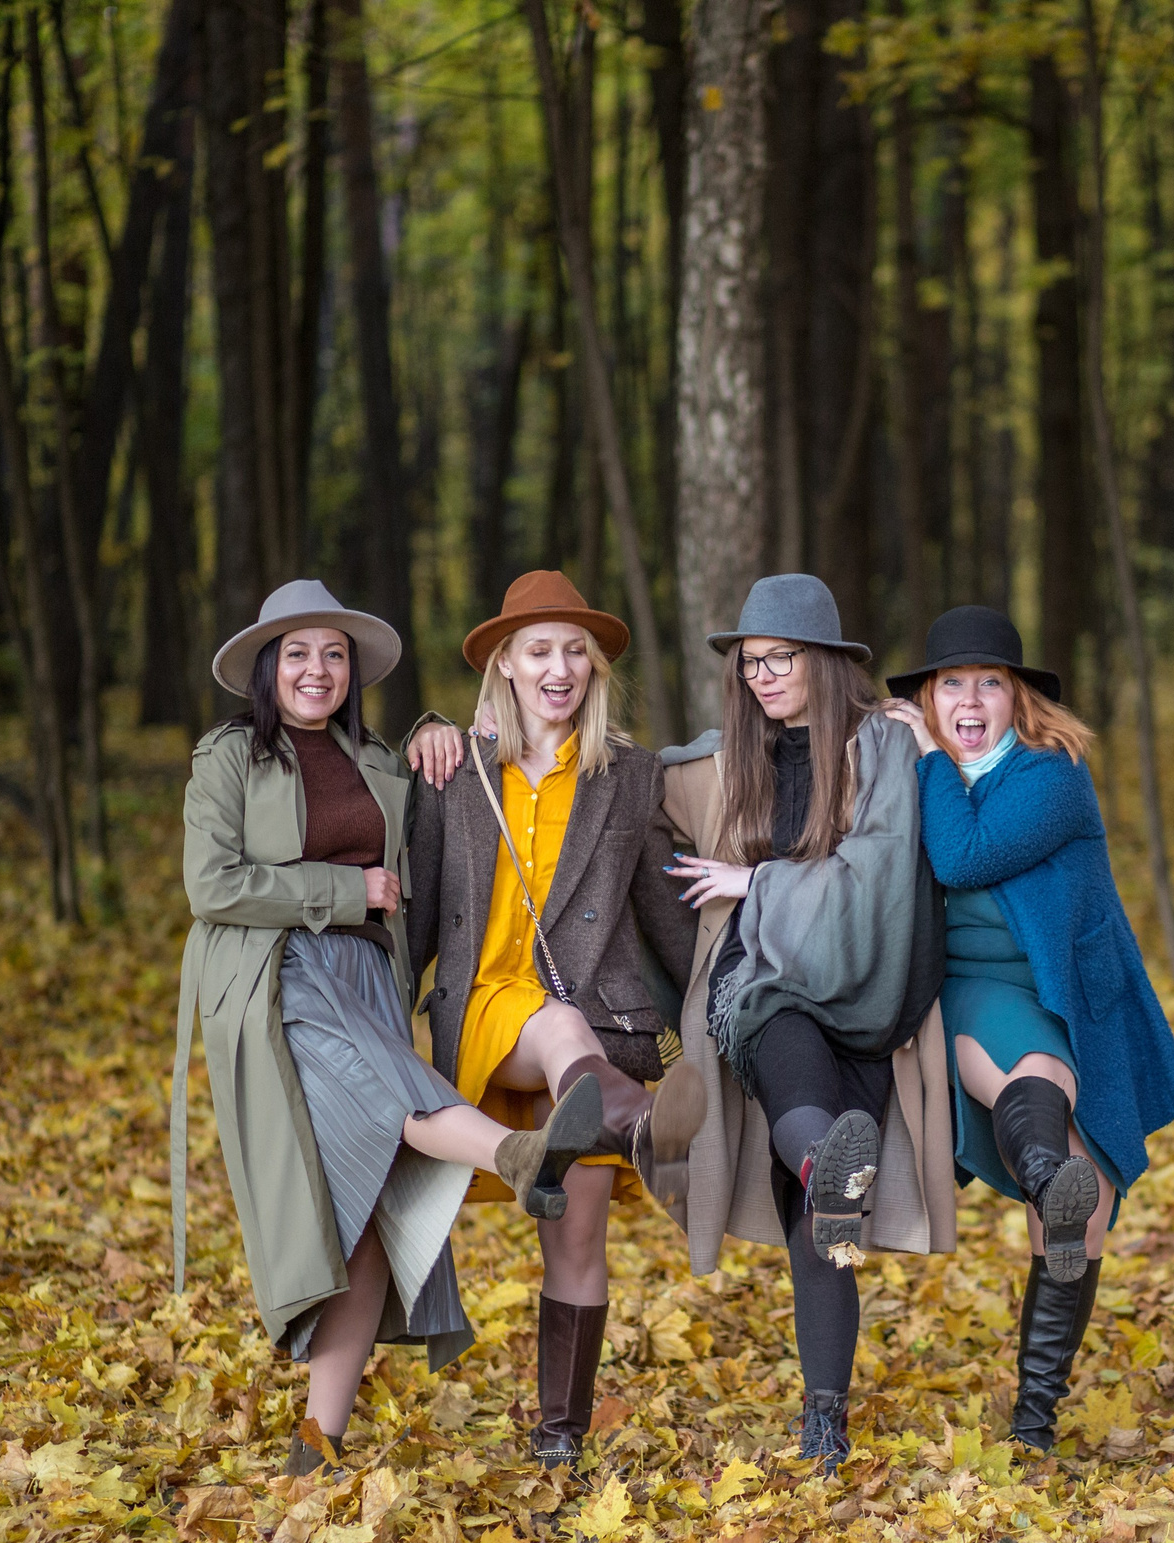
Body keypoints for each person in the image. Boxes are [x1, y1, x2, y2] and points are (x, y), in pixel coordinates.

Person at [168, 580, 606, 1481]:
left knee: (367, 1209)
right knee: (385, 1094)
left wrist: (437, 728)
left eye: (333, 654)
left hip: (367, 979)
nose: (316, 670)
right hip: (277, 978)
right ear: (267, 667)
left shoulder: (376, 759)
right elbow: (212, 886)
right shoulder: (227, 760)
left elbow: (449, 799)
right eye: (296, 654)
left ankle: (317, 1442)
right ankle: (518, 1156)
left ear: (352, 670)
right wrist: (345, 891)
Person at [396, 571, 695, 1467]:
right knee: (558, 1025)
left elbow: (670, 923)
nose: (560, 667)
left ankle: (560, 1437)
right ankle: (639, 1121)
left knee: (577, 1238)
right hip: (489, 1016)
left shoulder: (629, 776)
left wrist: (730, 1017)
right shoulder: (454, 774)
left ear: (595, 669)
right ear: (505, 667)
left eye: (575, 651)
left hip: (595, 1032)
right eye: (540, 651)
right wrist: (372, 1025)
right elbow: (414, 921)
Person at [656, 574, 954, 1470]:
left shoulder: (880, 749)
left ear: (824, 662)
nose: (762, 677)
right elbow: (611, 774)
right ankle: (831, 1166)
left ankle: (826, 1413)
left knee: (815, 1221)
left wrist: (759, 883)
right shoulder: (726, 761)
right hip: (763, 989)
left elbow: (879, 882)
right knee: (810, 1133)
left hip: (866, 999)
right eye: (750, 664)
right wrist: (459, 730)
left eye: (780, 659)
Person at [881, 605, 1174, 1454]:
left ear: (1018, 697)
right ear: (928, 695)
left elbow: (964, 855)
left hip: (1069, 998)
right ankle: (1049, 1170)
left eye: (991, 681)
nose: (972, 699)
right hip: (967, 992)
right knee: (1031, 1080)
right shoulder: (902, 766)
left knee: (1079, 1221)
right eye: (953, 684)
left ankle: (1034, 1423)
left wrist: (928, 759)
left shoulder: (1050, 777)